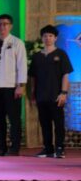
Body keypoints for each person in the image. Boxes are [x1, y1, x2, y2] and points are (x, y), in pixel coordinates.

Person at [29, 25, 73, 158]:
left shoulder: (61, 54)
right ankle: (48, 148)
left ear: (55, 38)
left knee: (58, 123)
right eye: (45, 36)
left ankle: (60, 148)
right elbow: (33, 77)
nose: (47, 38)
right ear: (41, 38)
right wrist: (32, 94)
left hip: (56, 95)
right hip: (41, 96)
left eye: (50, 36)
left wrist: (64, 93)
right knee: (44, 123)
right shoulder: (37, 56)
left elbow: (66, 75)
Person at [0, 14, 27, 156]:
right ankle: (1, 147)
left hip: (12, 87)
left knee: (14, 119)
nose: (2, 27)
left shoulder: (17, 43)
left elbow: (22, 65)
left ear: (10, 26)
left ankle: (14, 148)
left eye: (5, 24)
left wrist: (21, 85)